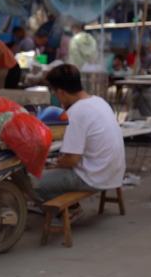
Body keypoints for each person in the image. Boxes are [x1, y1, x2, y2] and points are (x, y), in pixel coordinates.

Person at [35, 64, 125, 204]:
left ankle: (69, 209)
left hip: (94, 178)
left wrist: (54, 164)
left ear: (61, 92)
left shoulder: (77, 112)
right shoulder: (98, 101)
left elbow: (72, 159)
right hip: (113, 173)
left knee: (33, 183)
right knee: (50, 173)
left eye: (55, 93)